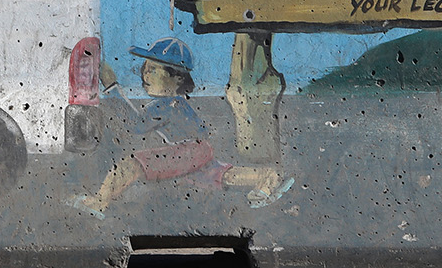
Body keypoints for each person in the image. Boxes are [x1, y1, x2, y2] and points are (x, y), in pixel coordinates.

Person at [66, 38, 296, 215]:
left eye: (153, 70)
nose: (145, 75)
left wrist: (112, 86)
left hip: (188, 150)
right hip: (197, 149)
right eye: (145, 68)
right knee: (219, 175)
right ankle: (268, 177)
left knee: (132, 164)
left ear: (176, 78)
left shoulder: (169, 104)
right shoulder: (177, 104)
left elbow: (135, 125)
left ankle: (99, 202)